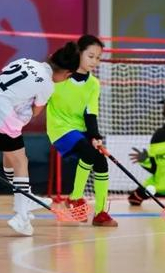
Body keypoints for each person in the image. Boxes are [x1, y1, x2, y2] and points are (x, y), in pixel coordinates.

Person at [0, 42, 80, 236]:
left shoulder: (26, 61)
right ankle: (21, 215)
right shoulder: (47, 85)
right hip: (0, 117)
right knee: (21, 162)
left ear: (51, 57)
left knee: (11, 154)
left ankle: (25, 198)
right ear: (67, 74)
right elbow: (36, 112)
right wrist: (25, 110)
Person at [46, 34, 117, 227]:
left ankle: (101, 213)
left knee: (101, 161)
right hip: (60, 128)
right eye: (90, 56)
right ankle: (75, 198)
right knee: (88, 153)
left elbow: (90, 113)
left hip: (81, 129)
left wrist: (95, 136)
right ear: (79, 54)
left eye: (98, 58)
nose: (95, 61)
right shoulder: (59, 77)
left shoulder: (93, 84)